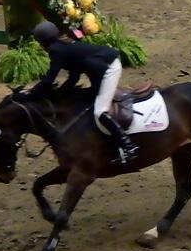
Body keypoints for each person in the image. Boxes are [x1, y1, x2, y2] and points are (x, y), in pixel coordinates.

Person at [19, 21, 139, 163]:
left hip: (109, 67)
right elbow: (74, 77)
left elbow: (49, 80)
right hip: (98, 69)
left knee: (100, 111)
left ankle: (128, 146)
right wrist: (60, 93)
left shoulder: (56, 51)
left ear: (42, 42)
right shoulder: (63, 45)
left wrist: (30, 94)